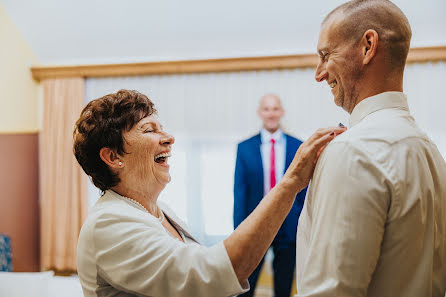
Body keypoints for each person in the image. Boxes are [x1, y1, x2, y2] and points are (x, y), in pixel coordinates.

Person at [73, 89, 346, 297]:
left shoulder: (161, 211)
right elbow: (208, 275)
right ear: (113, 156)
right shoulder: (109, 225)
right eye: (149, 130)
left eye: (162, 128)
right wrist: (291, 182)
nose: (168, 138)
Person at [296, 1, 446, 296]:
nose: (319, 73)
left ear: (368, 46)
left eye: (326, 55)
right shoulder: (431, 153)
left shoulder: (351, 153)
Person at [234, 94, 305, 297]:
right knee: (246, 285)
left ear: (282, 112)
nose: (271, 113)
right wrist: (239, 231)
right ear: (260, 113)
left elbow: (304, 189)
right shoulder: (244, 148)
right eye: (266, 109)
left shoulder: (298, 146)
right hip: (256, 224)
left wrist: (301, 222)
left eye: (275, 109)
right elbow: (240, 193)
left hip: (289, 224)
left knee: (284, 286)